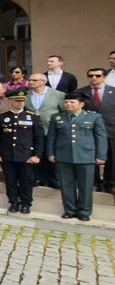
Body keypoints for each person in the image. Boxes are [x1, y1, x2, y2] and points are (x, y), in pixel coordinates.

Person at [48, 92, 108, 222]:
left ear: (81, 104)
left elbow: (101, 137)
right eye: (66, 102)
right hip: (63, 155)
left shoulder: (94, 117)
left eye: (72, 102)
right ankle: (69, 210)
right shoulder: (57, 117)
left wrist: (101, 155)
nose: (68, 104)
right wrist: (51, 153)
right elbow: (52, 136)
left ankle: (84, 211)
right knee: (66, 184)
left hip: (86, 155)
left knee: (85, 185)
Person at [0, 90, 44, 214]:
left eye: (22, 100)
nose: (20, 103)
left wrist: (37, 155)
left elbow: (39, 138)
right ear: (10, 101)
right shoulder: (2, 117)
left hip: (26, 154)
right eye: (17, 100)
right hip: (7, 154)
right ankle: (13, 202)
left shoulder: (32, 117)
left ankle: (26, 203)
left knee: (26, 180)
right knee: (10, 180)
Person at [76, 67, 115, 192]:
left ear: (104, 77)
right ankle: (94, 182)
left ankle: (111, 183)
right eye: (91, 75)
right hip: (88, 130)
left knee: (112, 157)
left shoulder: (113, 91)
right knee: (90, 157)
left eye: (97, 76)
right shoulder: (80, 92)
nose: (94, 78)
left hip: (110, 129)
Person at [27, 72, 65, 188]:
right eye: (30, 80)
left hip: (50, 129)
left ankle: (53, 179)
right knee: (36, 154)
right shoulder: (26, 94)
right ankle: (38, 178)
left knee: (50, 154)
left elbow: (63, 111)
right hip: (32, 130)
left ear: (44, 82)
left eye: (34, 80)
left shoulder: (57, 94)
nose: (31, 82)